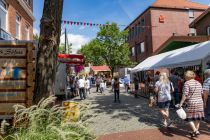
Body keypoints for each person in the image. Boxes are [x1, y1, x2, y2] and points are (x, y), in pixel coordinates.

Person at [179, 71, 204, 137]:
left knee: (189, 117)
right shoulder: (198, 83)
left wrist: (181, 103)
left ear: (187, 76)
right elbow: (202, 93)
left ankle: (195, 131)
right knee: (197, 118)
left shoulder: (187, 83)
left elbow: (185, 94)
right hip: (200, 102)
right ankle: (194, 132)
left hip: (192, 102)